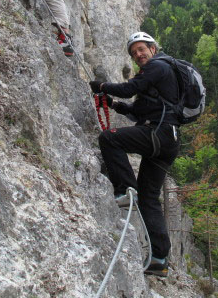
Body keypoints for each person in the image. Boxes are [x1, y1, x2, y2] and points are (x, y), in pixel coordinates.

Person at [89, 32, 180, 277]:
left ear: (152, 48)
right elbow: (138, 109)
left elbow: (130, 89)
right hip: (167, 139)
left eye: (141, 49)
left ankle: (126, 191)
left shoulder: (158, 66)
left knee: (109, 139)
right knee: (150, 199)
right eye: (134, 53)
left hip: (157, 134)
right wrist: (114, 104)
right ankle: (160, 259)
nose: (138, 55)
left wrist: (101, 86)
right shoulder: (159, 75)